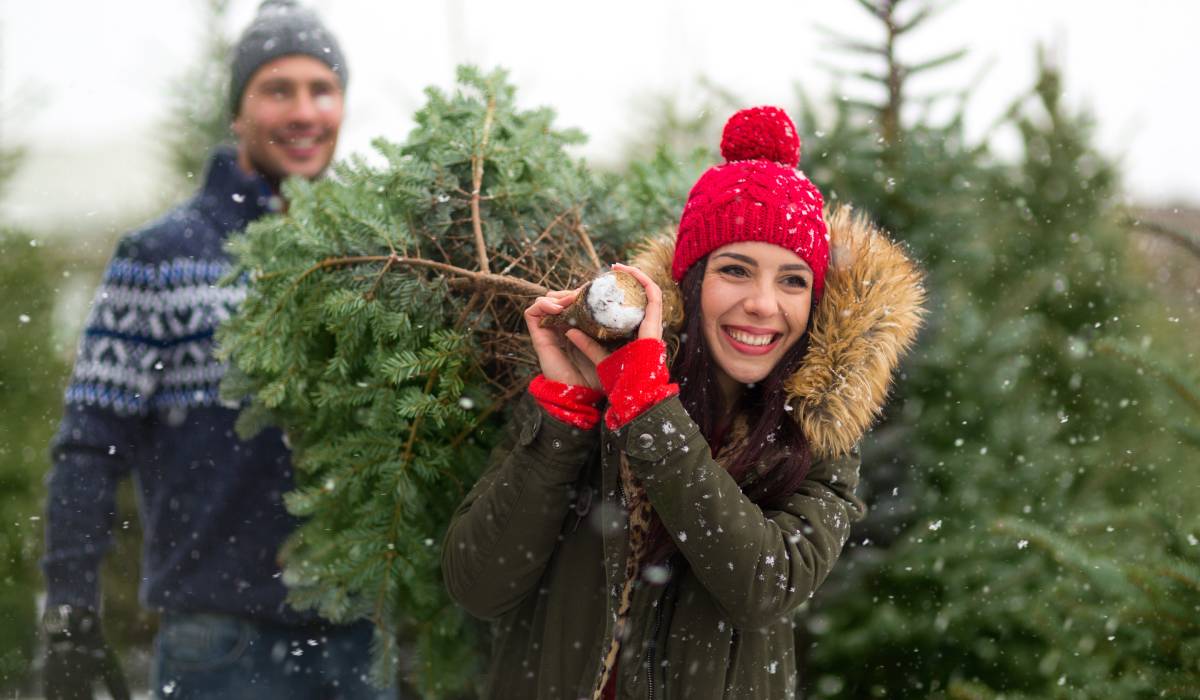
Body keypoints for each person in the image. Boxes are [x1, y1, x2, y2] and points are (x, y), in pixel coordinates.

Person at [441, 106, 925, 699]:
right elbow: (479, 583)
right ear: (691, 283)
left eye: (792, 280)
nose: (763, 304)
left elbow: (764, 585)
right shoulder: (596, 390)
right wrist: (565, 418)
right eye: (736, 270)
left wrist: (649, 413)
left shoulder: (819, 441)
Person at [41, 2, 395, 698]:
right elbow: (89, 443)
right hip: (220, 645)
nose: (303, 111)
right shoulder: (161, 256)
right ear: (238, 111)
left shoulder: (380, 259)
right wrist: (69, 608)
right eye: (276, 89)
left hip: (359, 637)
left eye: (321, 89)